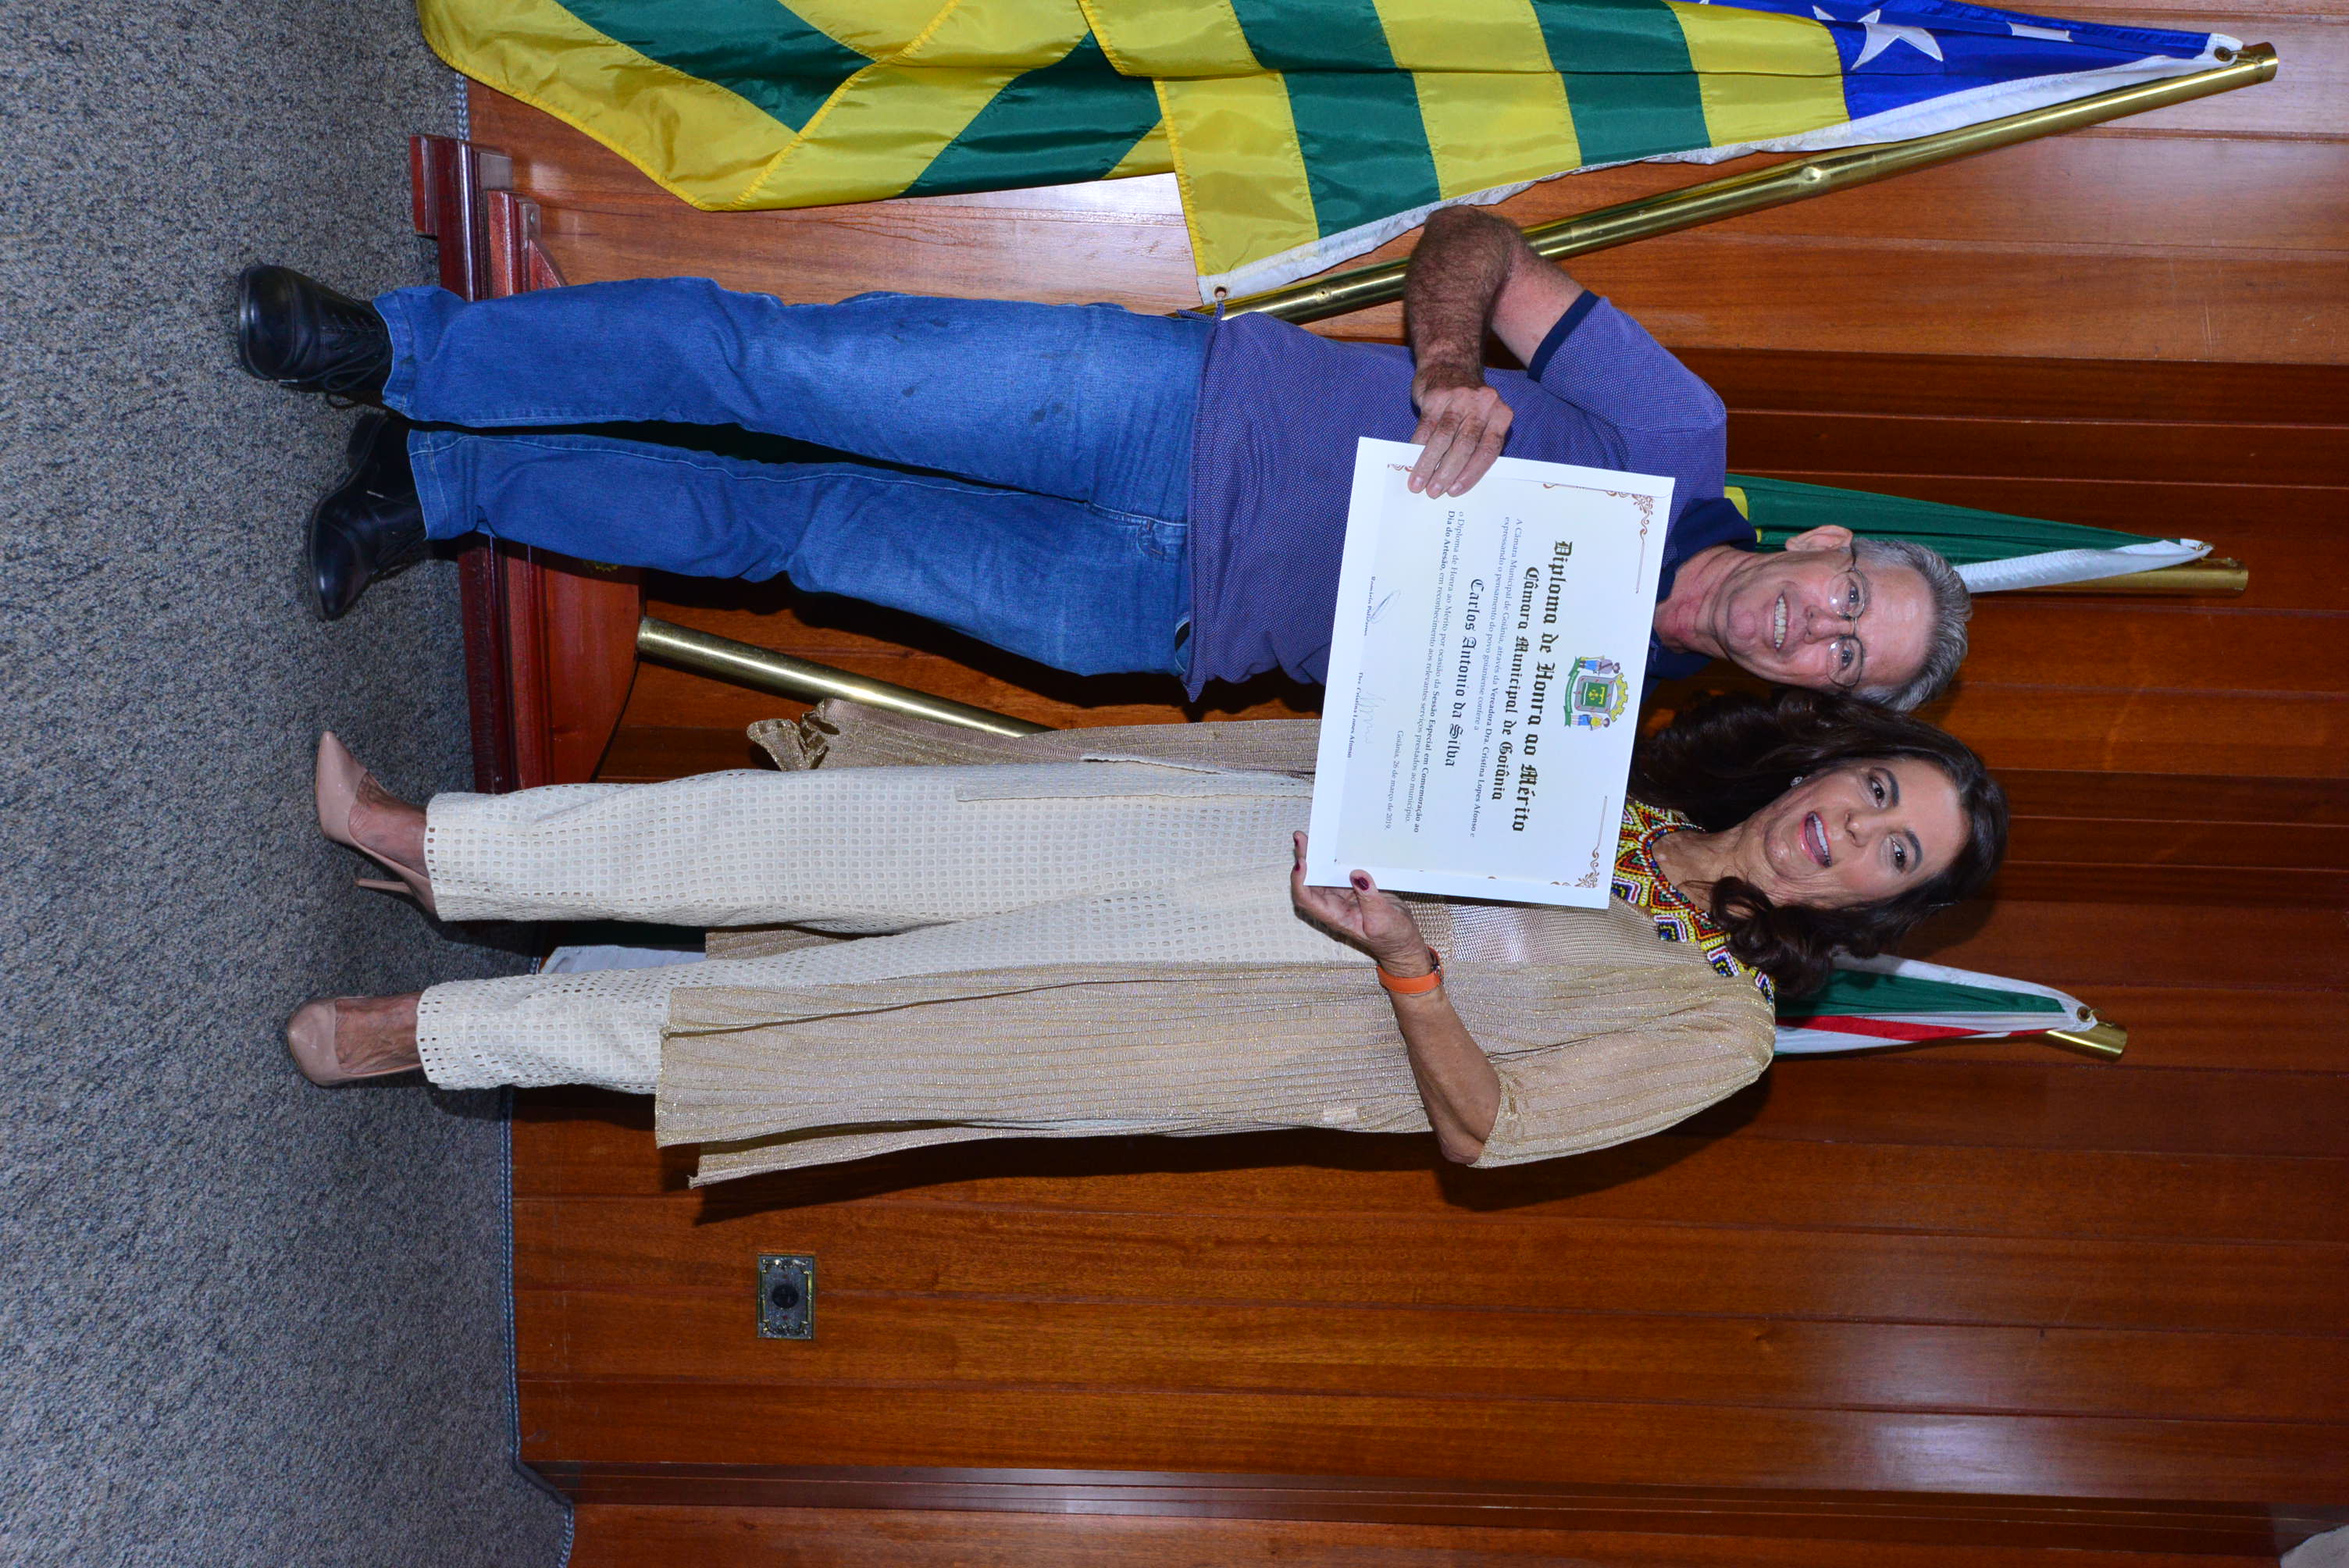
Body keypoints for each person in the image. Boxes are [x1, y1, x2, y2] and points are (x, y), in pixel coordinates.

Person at [237, 207, 1969, 709]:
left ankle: (440, 489)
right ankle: (405, 351)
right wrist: (1453, 367)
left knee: (783, 532)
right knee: (782, 366)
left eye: (1848, 663)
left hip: (1146, 621)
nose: (1813, 632)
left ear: (1823, 696)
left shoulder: (1604, 743)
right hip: (1162, 407)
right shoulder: (1673, 435)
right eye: (1851, 603)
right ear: (1825, 548)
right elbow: (1473, 243)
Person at [287, 690, 2006, 1181]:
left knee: (802, 1029)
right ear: (1827, 759)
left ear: (1874, 908)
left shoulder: (1720, 1029)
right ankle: (443, 845)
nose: (1853, 827)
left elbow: (1496, 1133)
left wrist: (1408, 963)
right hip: (1200, 831)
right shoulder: (1627, 782)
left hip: (1202, 1006)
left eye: (1892, 850)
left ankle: (418, 1037)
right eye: (1875, 787)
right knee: (801, 833)